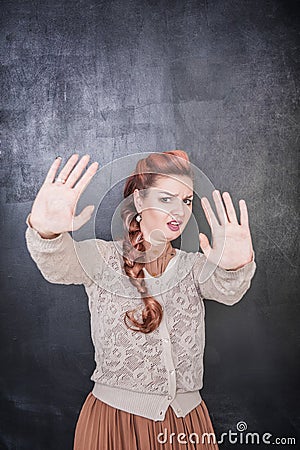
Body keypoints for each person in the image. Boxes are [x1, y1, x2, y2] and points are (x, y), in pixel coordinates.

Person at [25, 151, 256, 449]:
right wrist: (47, 230)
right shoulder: (102, 258)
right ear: (138, 201)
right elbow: (56, 265)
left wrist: (235, 264)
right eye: (165, 199)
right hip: (115, 425)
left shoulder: (194, 267)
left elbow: (229, 291)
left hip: (187, 426)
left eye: (186, 201)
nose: (180, 212)